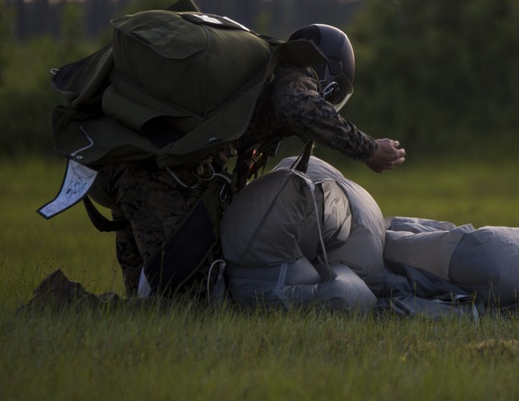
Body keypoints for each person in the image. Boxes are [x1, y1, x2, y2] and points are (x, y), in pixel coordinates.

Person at [83, 23, 406, 299]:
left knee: (149, 294)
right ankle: (64, 302)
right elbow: (297, 108)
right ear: (330, 76)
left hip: (119, 160)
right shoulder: (294, 72)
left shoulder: (255, 75)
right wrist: (368, 149)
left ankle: (80, 311)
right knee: (189, 302)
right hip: (155, 178)